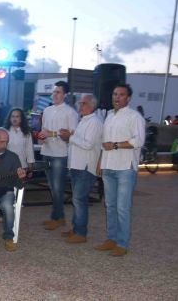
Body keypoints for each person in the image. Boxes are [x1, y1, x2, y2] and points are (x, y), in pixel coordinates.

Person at [95, 83, 145, 256]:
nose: (116, 97)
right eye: (115, 94)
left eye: (121, 95)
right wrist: (100, 162)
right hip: (108, 165)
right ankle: (111, 239)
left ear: (128, 98)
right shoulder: (108, 115)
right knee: (110, 205)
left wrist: (115, 145)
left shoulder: (134, 117)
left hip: (125, 167)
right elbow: (104, 141)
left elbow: (138, 141)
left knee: (122, 208)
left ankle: (122, 244)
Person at [59, 94, 103, 243]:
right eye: (80, 103)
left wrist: (70, 137)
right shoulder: (83, 120)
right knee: (77, 199)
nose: (80, 105)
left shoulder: (95, 122)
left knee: (79, 199)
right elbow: (79, 142)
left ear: (91, 105)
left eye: (83, 103)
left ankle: (81, 233)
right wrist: (70, 135)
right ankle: (76, 229)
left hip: (85, 166)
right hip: (76, 165)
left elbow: (88, 144)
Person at [37, 81, 78, 230]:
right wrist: (41, 137)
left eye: (58, 92)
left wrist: (52, 134)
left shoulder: (70, 112)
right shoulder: (47, 110)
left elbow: (73, 133)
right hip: (47, 152)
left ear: (65, 95)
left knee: (57, 187)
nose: (55, 95)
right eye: (54, 92)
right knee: (51, 187)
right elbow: (44, 130)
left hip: (60, 154)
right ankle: (57, 217)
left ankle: (58, 217)